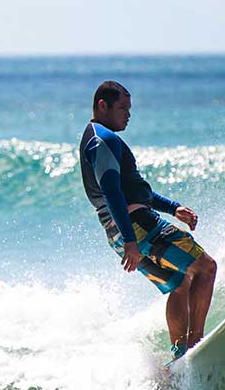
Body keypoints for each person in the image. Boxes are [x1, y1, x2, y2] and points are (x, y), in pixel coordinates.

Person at [79, 80, 217, 363]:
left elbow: (133, 190)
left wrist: (173, 207)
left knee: (180, 284)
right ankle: (196, 346)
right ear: (102, 106)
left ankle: (180, 357)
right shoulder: (103, 140)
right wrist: (132, 240)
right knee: (206, 268)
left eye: (129, 109)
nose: (128, 115)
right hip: (138, 229)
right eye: (122, 108)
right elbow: (113, 193)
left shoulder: (96, 139)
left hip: (119, 234)